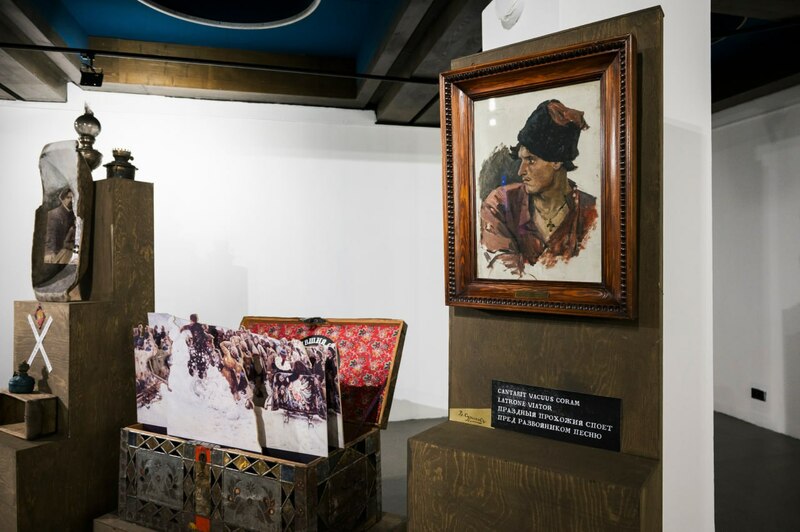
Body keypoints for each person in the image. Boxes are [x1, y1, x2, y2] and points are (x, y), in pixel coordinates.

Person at [480, 99, 598, 276]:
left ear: (557, 160)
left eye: (531, 160)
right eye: (521, 159)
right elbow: (501, 275)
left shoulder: (592, 214)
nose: (521, 171)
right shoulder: (500, 204)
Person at [44, 188, 76, 264]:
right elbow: (50, 234)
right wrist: (49, 252)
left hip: (69, 252)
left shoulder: (74, 215)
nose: (70, 200)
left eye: (72, 198)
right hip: (56, 253)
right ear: (62, 199)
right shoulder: (54, 214)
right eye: (68, 197)